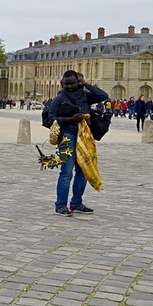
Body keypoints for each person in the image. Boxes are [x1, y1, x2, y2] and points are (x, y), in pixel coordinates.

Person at [45, 70, 108, 216]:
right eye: (66, 84)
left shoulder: (84, 96)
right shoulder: (59, 99)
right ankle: (60, 205)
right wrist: (69, 119)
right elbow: (50, 119)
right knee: (67, 172)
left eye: (72, 83)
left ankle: (76, 202)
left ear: (78, 82)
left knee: (82, 171)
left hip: (84, 136)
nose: (69, 86)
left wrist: (87, 85)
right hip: (67, 136)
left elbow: (103, 96)